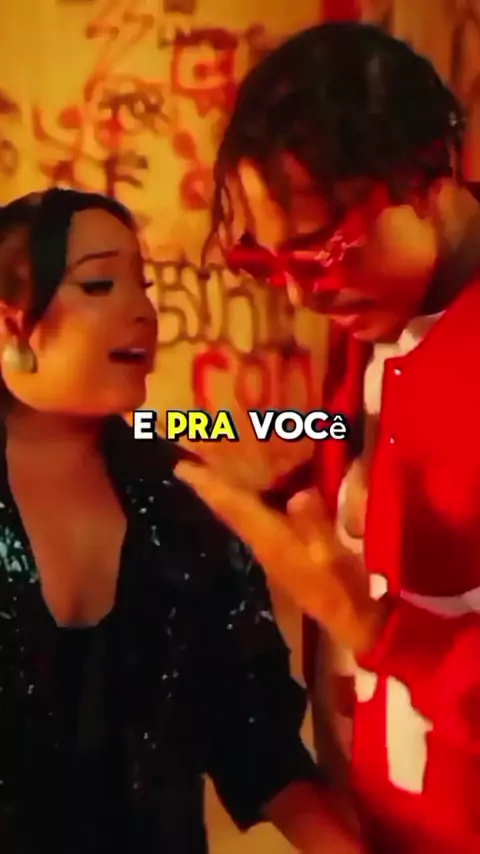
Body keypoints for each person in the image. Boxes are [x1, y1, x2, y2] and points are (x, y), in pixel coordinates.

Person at [175, 21, 480, 854]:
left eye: (317, 252)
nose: (300, 294)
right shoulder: (379, 310)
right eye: (265, 265)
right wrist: (190, 434)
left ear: (428, 174)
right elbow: (342, 437)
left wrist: (379, 632)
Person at [0, 187, 366, 853]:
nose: (142, 310)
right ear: (9, 323)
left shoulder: (183, 499)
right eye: (100, 284)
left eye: (143, 284)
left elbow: (257, 742)